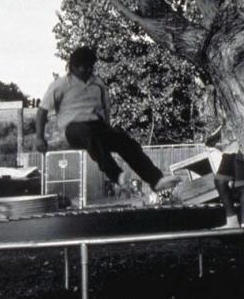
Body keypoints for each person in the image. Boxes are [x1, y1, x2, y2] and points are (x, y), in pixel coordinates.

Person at [34, 46, 179, 196]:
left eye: (90, 68)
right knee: (87, 133)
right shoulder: (60, 85)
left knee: (126, 142)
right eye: (84, 69)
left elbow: (106, 108)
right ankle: (117, 175)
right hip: (73, 129)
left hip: (97, 125)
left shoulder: (98, 83)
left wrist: (109, 130)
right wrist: (39, 137)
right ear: (73, 67)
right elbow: (42, 111)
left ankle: (156, 180)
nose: (88, 72)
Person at [212, 138, 244, 228]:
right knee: (220, 181)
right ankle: (232, 221)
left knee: (242, 184)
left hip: (243, 145)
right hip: (230, 147)